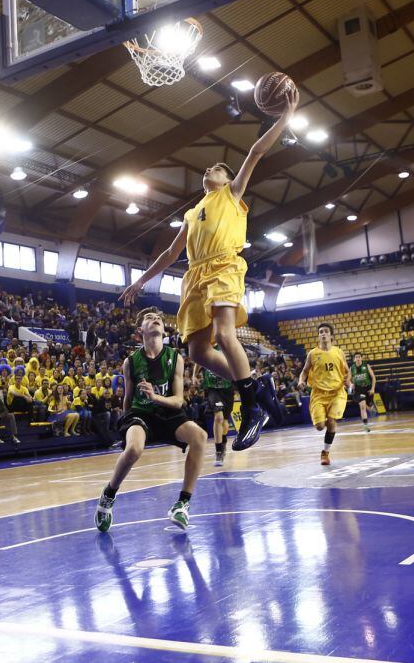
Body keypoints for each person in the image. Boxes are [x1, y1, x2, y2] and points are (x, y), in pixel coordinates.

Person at [117, 89, 298, 453]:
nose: (207, 170)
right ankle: (257, 387)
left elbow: (256, 151)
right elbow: (171, 251)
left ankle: (250, 407)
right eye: (207, 169)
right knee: (198, 352)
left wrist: (285, 116)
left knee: (225, 334)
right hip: (195, 276)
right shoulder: (190, 212)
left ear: (227, 178)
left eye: (214, 167)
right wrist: (141, 279)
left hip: (224, 265)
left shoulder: (231, 193)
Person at [95, 307, 207, 531]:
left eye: (159, 318)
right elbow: (127, 400)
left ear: (164, 330)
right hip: (141, 413)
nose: (156, 319)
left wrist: (155, 396)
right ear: (140, 331)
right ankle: (108, 496)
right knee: (134, 449)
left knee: (200, 436)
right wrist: (128, 428)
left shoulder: (175, 358)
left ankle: (182, 504)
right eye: (149, 318)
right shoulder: (131, 362)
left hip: (167, 411)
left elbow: (178, 401)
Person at [297, 322, 350, 466]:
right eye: (321, 332)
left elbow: (347, 370)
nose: (323, 333)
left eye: (326, 331)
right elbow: (304, 371)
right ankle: (327, 428)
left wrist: (348, 382)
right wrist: (301, 381)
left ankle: (325, 453)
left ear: (331, 336)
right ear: (318, 336)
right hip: (318, 394)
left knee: (332, 420)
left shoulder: (339, 352)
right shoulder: (313, 354)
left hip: (337, 393)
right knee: (320, 426)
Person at [196, 352, 234, 467]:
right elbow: (198, 359)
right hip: (213, 390)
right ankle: (218, 451)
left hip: (227, 390)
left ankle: (223, 441)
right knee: (218, 417)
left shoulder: (227, 346)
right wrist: (194, 374)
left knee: (225, 422)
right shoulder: (207, 346)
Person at [350, 352, 376, 432]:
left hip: (368, 388)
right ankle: (366, 426)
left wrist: (372, 389)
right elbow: (348, 379)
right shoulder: (352, 368)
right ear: (354, 359)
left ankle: (371, 408)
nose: (357, 358)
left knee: (369, 406)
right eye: (356, 357)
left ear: (361, 358)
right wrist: (351, 384)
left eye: (359, 357)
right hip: (359, 389)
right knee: (362, 405)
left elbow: (374, 378)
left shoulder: (366, 366)